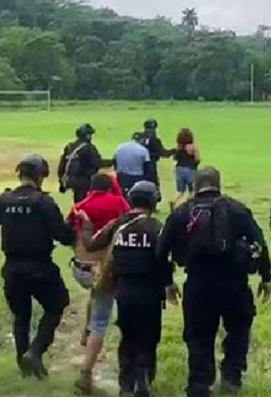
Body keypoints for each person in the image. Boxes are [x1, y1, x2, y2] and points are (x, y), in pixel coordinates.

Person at [159, 167, 271, 397]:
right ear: (218, 184)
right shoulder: (236, 209)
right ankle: (232, 376)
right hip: (234, 282)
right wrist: (266, 276)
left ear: (195, 186)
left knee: (198, 336)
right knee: (239, 328)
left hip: (198, 284)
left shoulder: (182, 213)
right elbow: (259, 242)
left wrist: (168, 283)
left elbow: (161, 250)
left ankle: (200, 384)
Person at [79, 181, 178, 397]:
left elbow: (91, 245)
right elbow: (165, 261)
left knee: (128, 337)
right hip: (150, 295)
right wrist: (169, 285)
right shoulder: (157, 228)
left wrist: (86, 224)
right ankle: (144, 376)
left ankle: (126, 384)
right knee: (149, 338)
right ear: (153, 201)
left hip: (123, 293)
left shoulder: (117, 225)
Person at [0, 154, 76, 379]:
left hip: (12, 267)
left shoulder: (4, 200)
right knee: (57, 304)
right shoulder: (43, 202)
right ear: (40, 176)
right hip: (40, 267)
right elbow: (63, 236)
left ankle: (25, 365)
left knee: (21, 316)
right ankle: (35, 351)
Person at [67, 174, 131, 395]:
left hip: (79, 268)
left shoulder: (79, 205)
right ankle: (86, 373)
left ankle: (86, 332)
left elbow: (68, 234)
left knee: (94, 296)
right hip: (102, 271)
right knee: (101, 320)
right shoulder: (118, 203)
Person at [58, 124, 114, 203]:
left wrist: (61, 181)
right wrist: (112, 162)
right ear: (87, 135)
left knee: (78, 201)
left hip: (70, 180)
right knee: (85, 201)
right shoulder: (88, 147)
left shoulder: (69, 146)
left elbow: (62, 165)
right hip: (84, 180)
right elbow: (97, 162)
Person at [169, 128, 200, 212]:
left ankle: (173, 201)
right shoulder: (193, 147)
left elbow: (175, 158)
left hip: (179, 169)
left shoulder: (178, 147)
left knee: (180, 191)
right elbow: (197, 159)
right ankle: (189, 206)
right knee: (192, 190)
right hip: (190, 169)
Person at [140, 118, 175, 192]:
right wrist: (175, 150)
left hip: (138, 165)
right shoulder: (155, 140)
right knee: (153, 185)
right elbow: (163, 153)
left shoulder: (140, 138)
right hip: (150, 165)